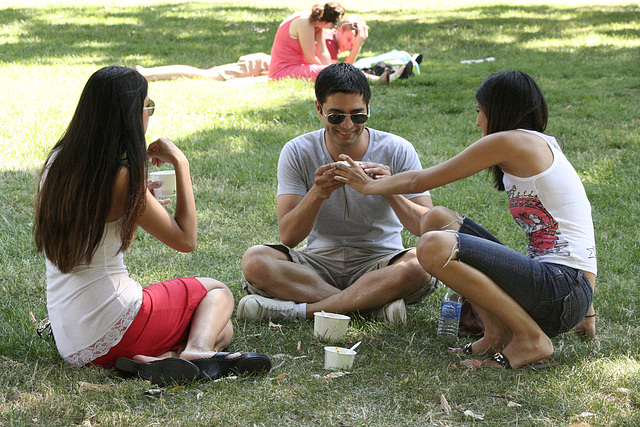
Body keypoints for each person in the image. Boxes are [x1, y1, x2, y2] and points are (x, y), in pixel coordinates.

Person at [335, 70, 597, 369]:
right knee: (438, 219)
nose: (477, 121)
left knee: (434, 246)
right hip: (563, 290)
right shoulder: (540, 143)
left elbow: (420, 180)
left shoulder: (511, 142)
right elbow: (575, 231)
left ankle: (529, 339)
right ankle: (495, 334)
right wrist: (586, 311)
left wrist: (368, 186)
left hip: (560, 291)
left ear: (498, 111)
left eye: (480, 111)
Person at [34, 66, 271, 386]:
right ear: (132, 114)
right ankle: (198, 351)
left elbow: (111, 227)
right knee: (217, 293)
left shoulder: (56, 162)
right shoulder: (120, 178)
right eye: (149, 106)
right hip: (114, 322)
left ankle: (160, 360)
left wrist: (139, 195)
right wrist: (181, 165)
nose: (150, 114)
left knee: (222, 329)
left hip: (73, 340)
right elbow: (186, 240)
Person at [238, 62, 439, 324]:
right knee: (255, 260)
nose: (347, 125)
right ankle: (371, 307)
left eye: (358, 116)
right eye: (336, 116)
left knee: (419, 264)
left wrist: (388, 189)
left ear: (368, 108)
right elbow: (289, 236)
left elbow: (426, 227)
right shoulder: (298, 151)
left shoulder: (397, 149)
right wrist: (317, 193)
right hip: (319, 264)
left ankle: (303, 312)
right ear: (319, 109)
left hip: (381, 260)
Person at [134, 13, 369, 83]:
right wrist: (356, 49)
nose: (347, 45)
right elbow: (334, 71)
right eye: (348, 39)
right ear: (337, 28)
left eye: (351, 43)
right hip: (263, 64)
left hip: (268, 64)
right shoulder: (325, 38)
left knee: (206, 74)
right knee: (205, 75)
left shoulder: (324, 34)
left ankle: (146, 72)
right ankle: (146, 73)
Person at [268, 4, 369, 81]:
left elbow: (322, 51)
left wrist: (330, 68)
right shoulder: (305, 22)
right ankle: (370, 78)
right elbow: (311, 57)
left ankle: (372, 77)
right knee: (338, 74)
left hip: (300, 67)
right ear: (328, 22)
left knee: (338, 73)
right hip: (283, 71)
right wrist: (330, 71)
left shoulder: (318, 24)